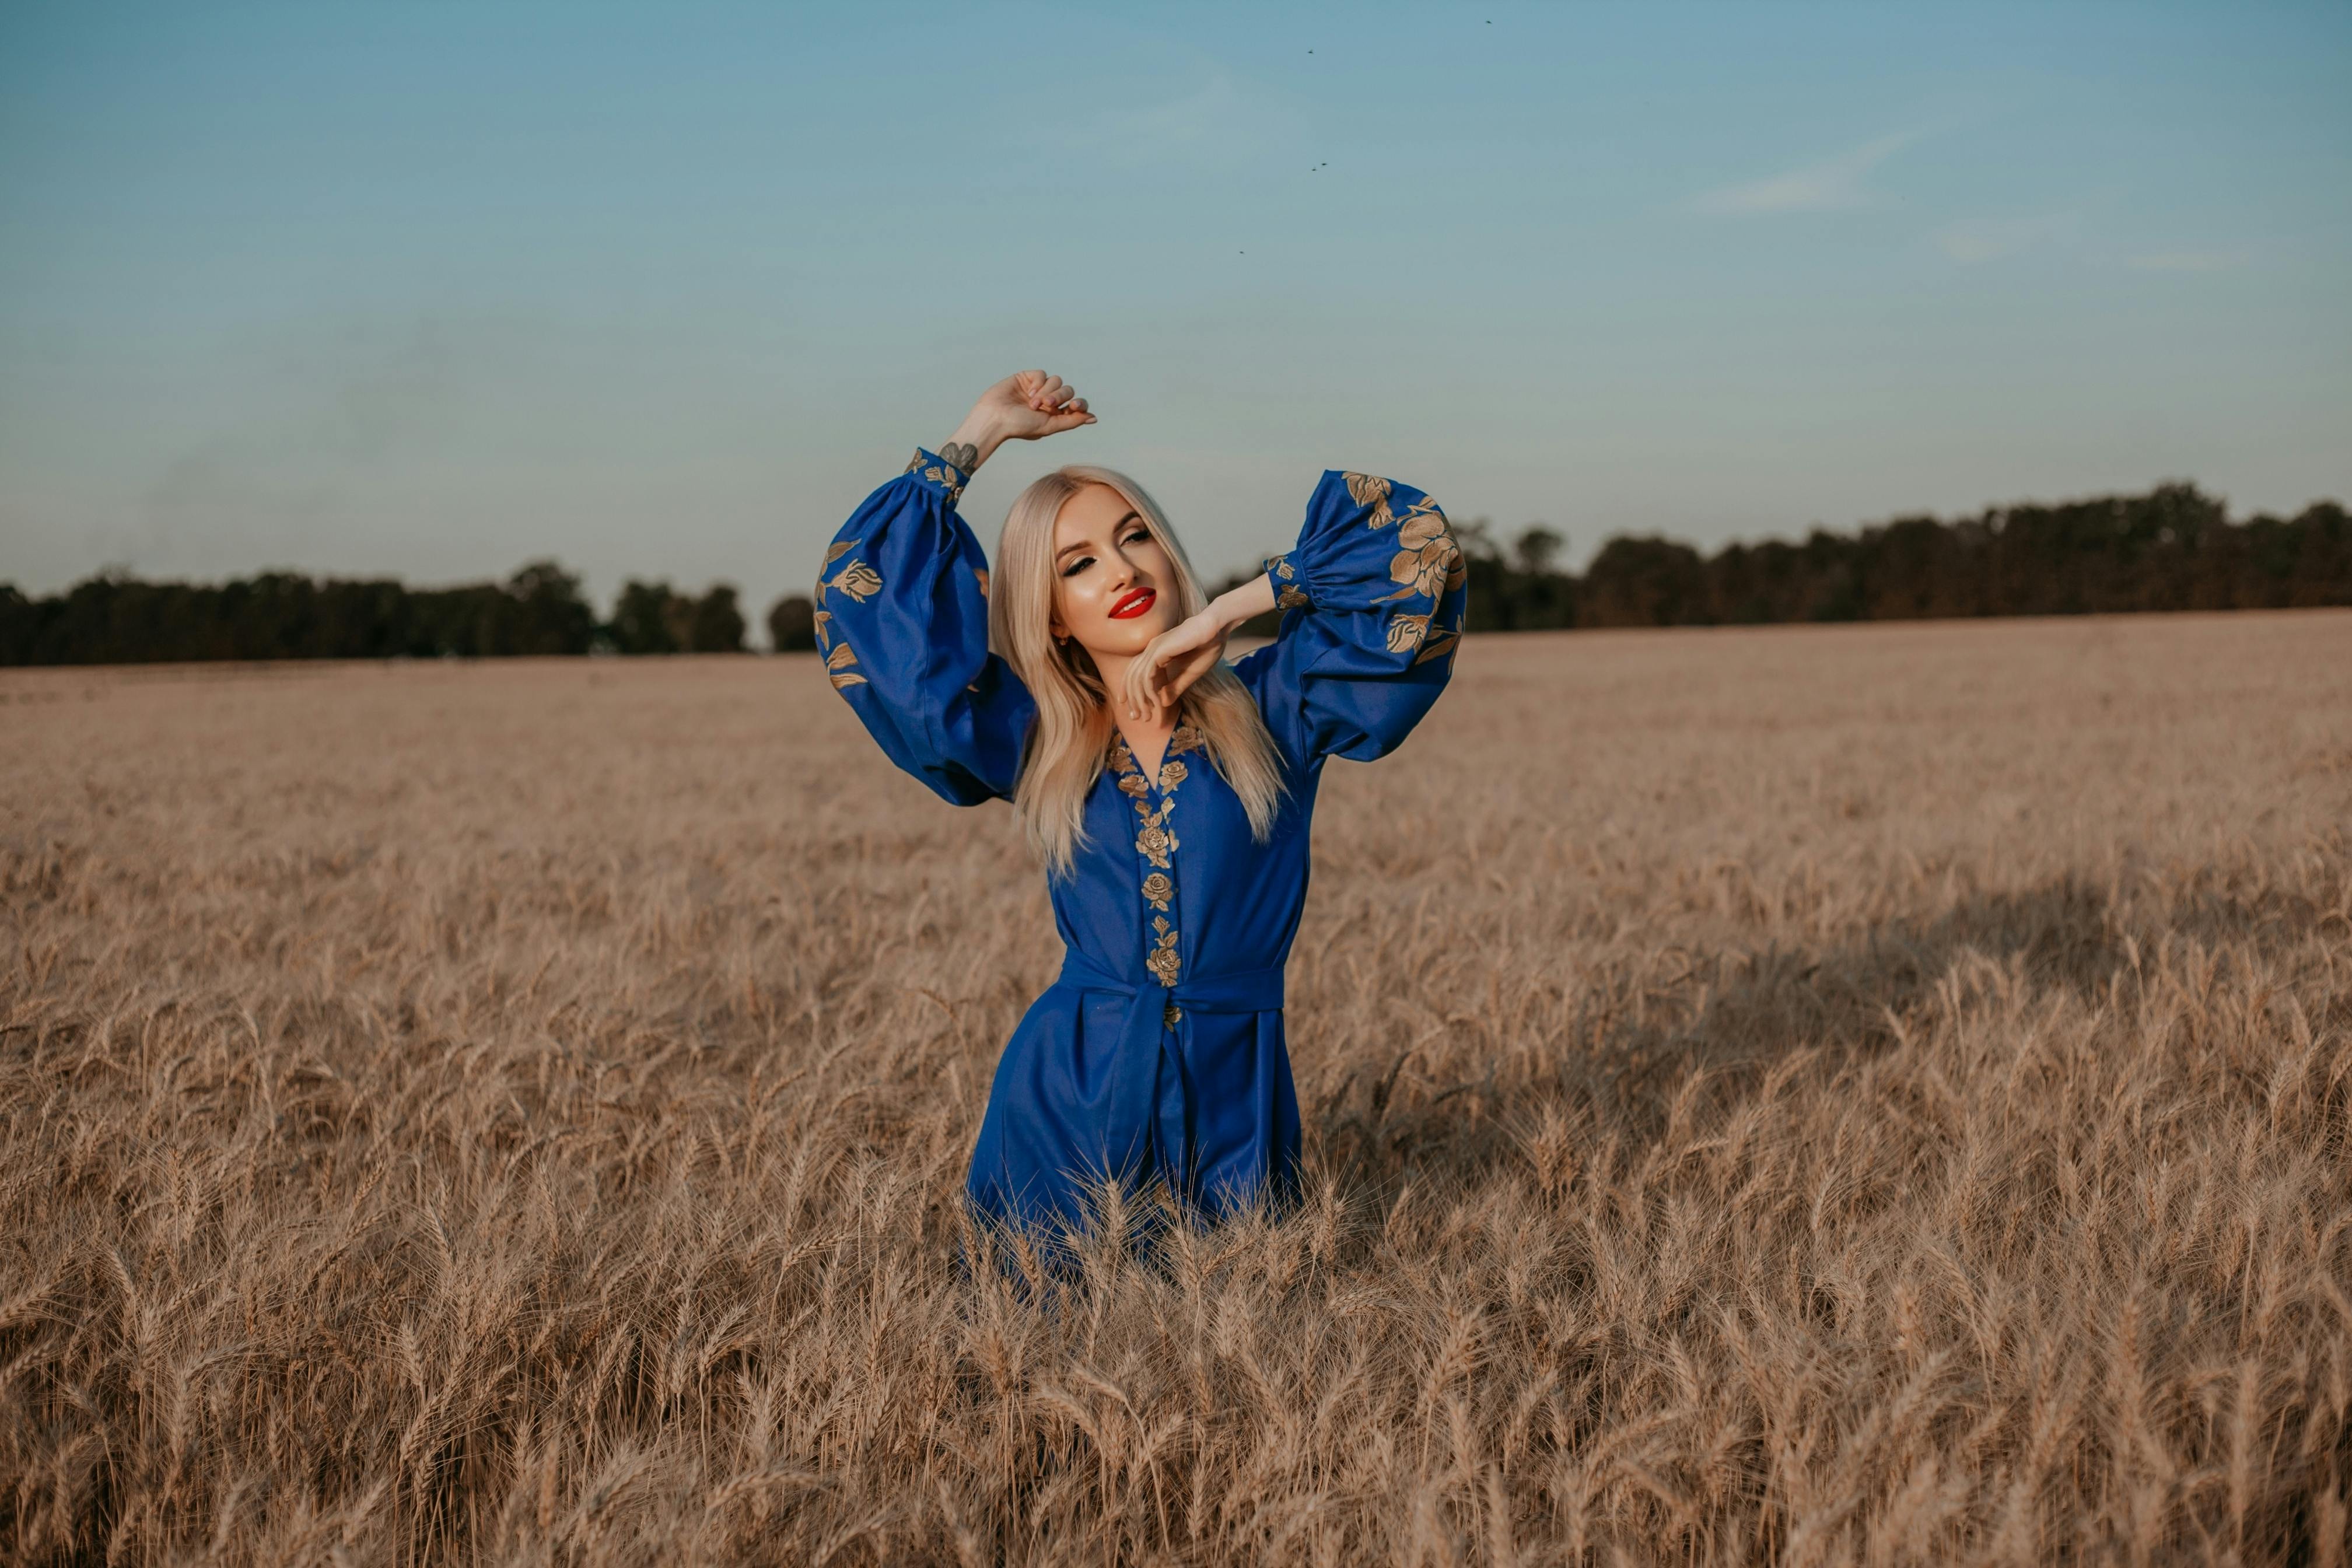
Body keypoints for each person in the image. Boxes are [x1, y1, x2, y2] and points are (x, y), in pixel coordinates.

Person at [816, 369, 1465, 1247]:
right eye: (1077, 565)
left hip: (1235, 1094)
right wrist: (982, 433)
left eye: (1136, 539)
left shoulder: (1281, 704)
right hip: (1066, 1100)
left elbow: (1412, 549)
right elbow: (879, 622)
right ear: (1048, 616)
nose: (1121, 570)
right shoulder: (1036, 738)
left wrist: (1228, 615)